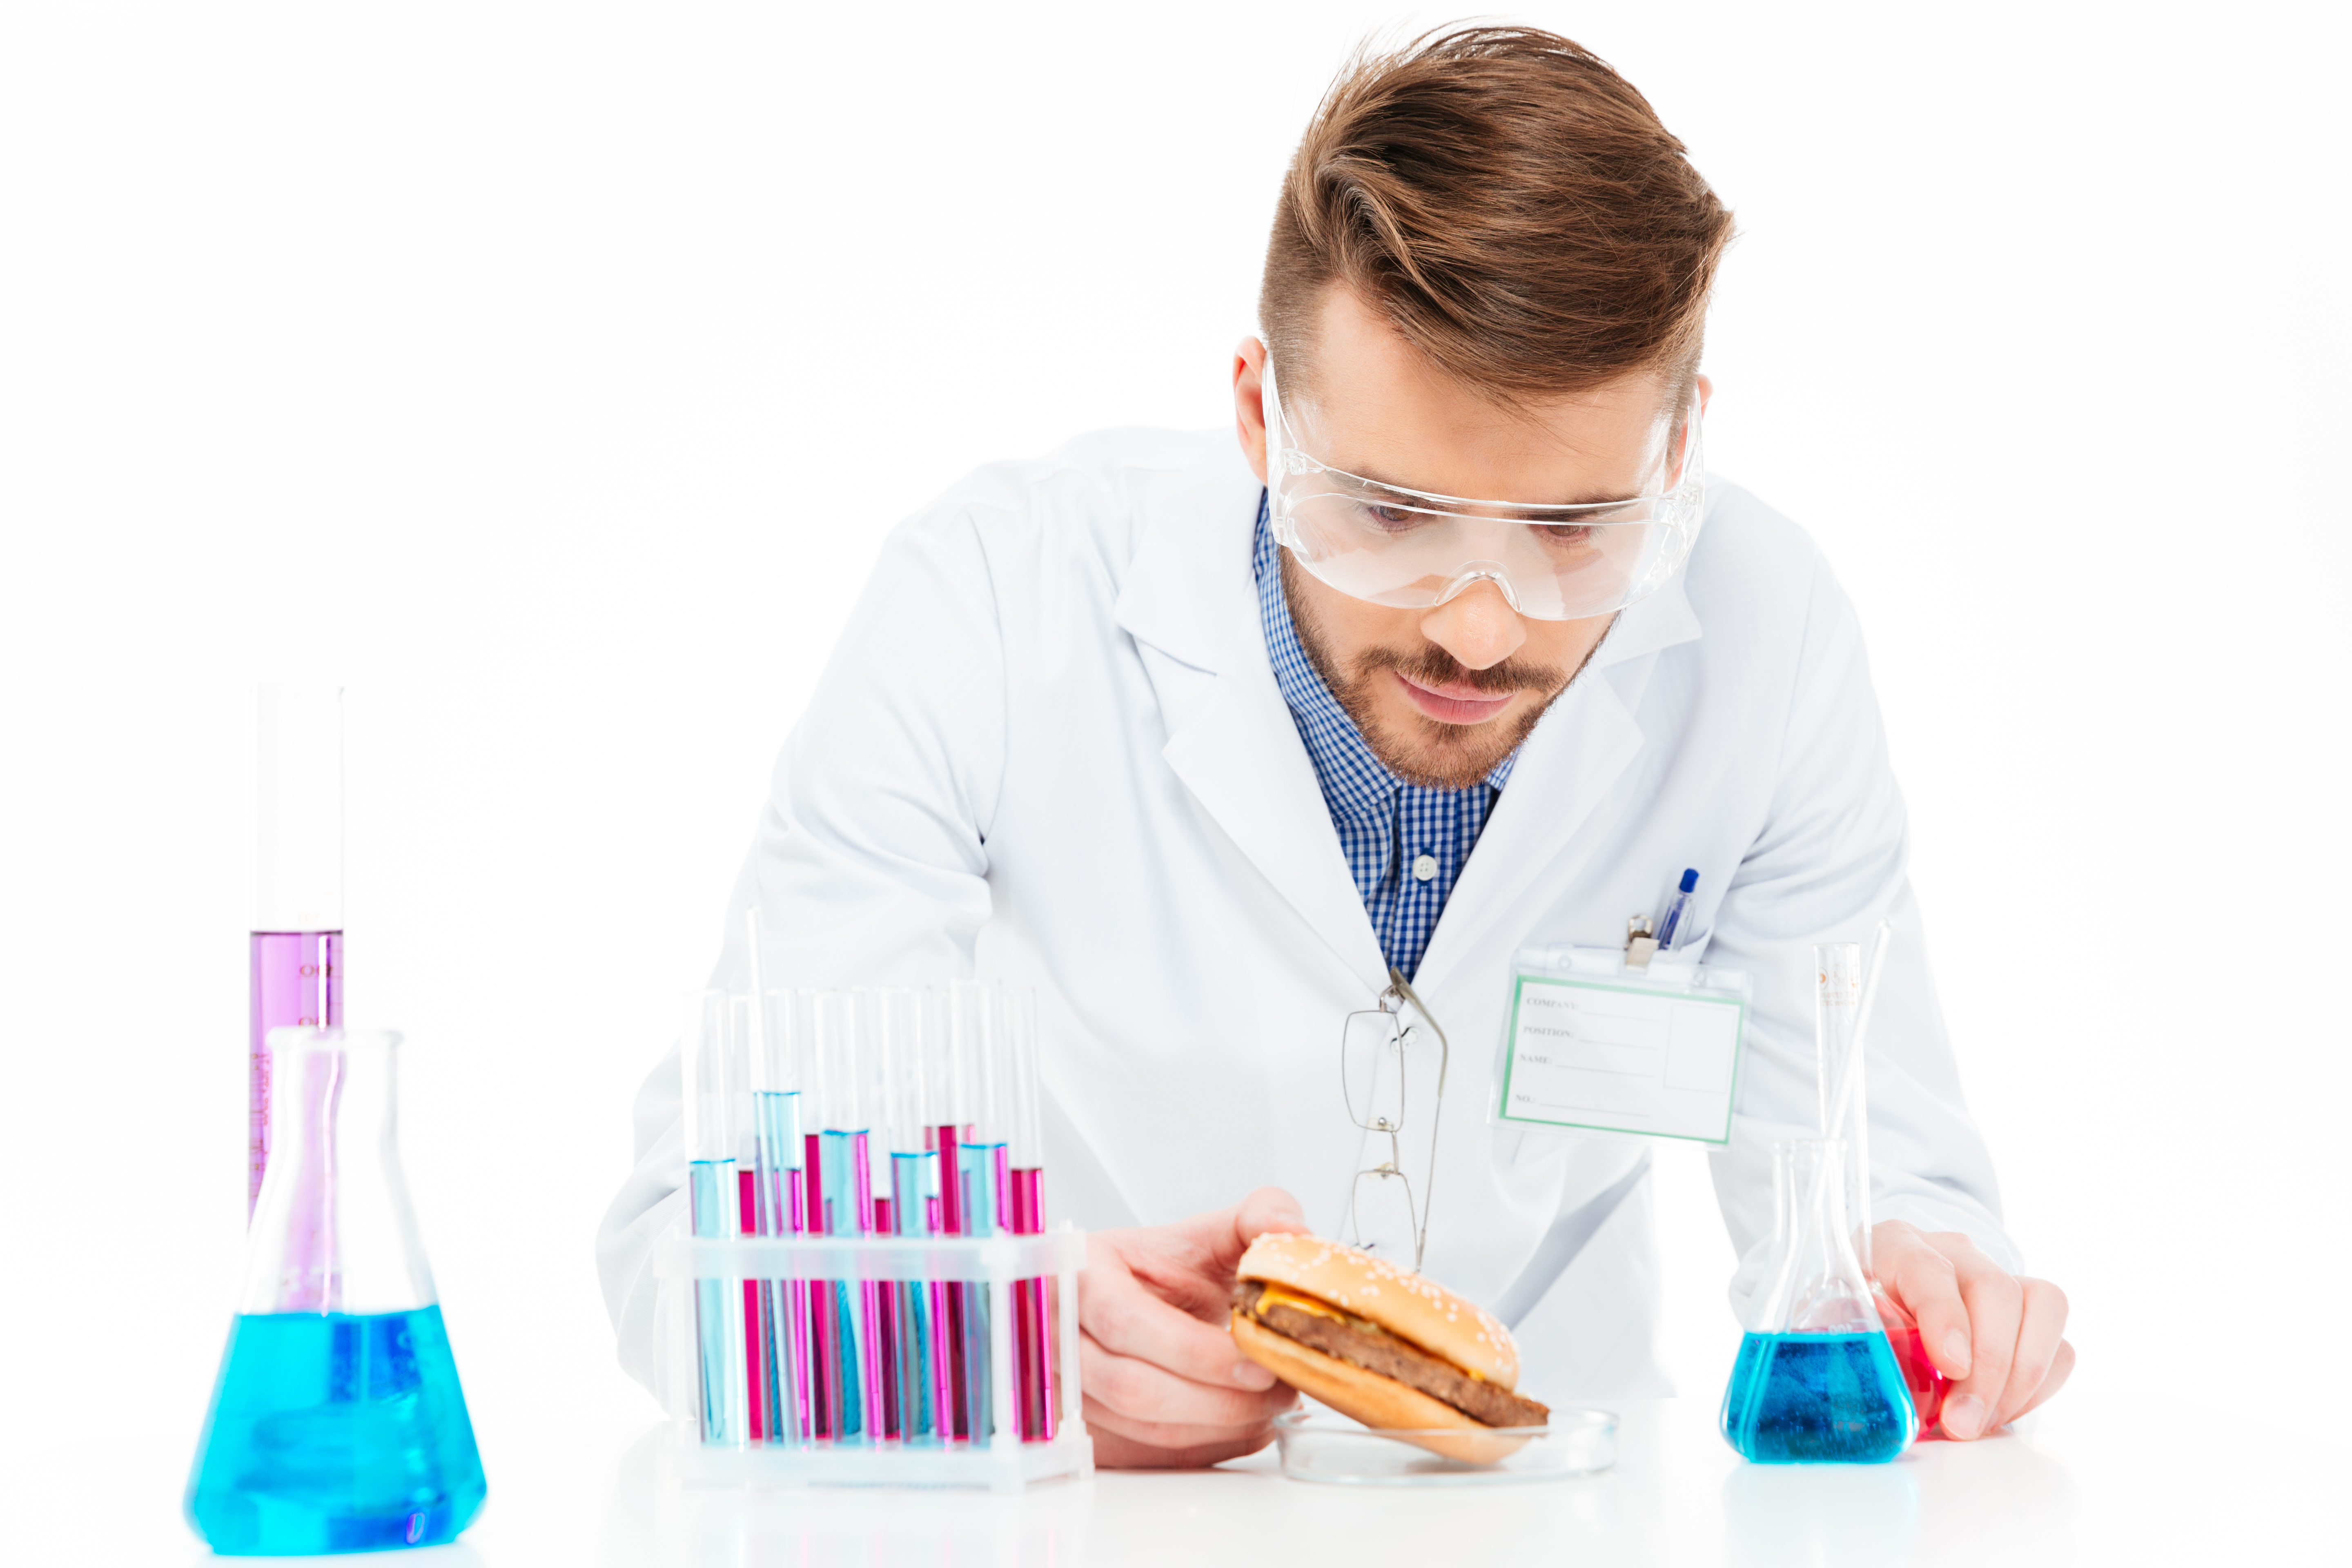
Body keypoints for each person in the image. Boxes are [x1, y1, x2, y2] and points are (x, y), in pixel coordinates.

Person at [597, 25, 2071, 1467]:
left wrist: (1936, 1294)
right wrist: (1009, 1339)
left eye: (1572, 531)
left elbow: (1877, 1186)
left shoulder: (1769, 634)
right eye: (1392, 516)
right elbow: (686, 1254)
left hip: (1557, 1497)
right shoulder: (993, 601)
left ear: (1678, 453)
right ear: (1260, 416)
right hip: (1105, 1507)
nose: (1485, 634)